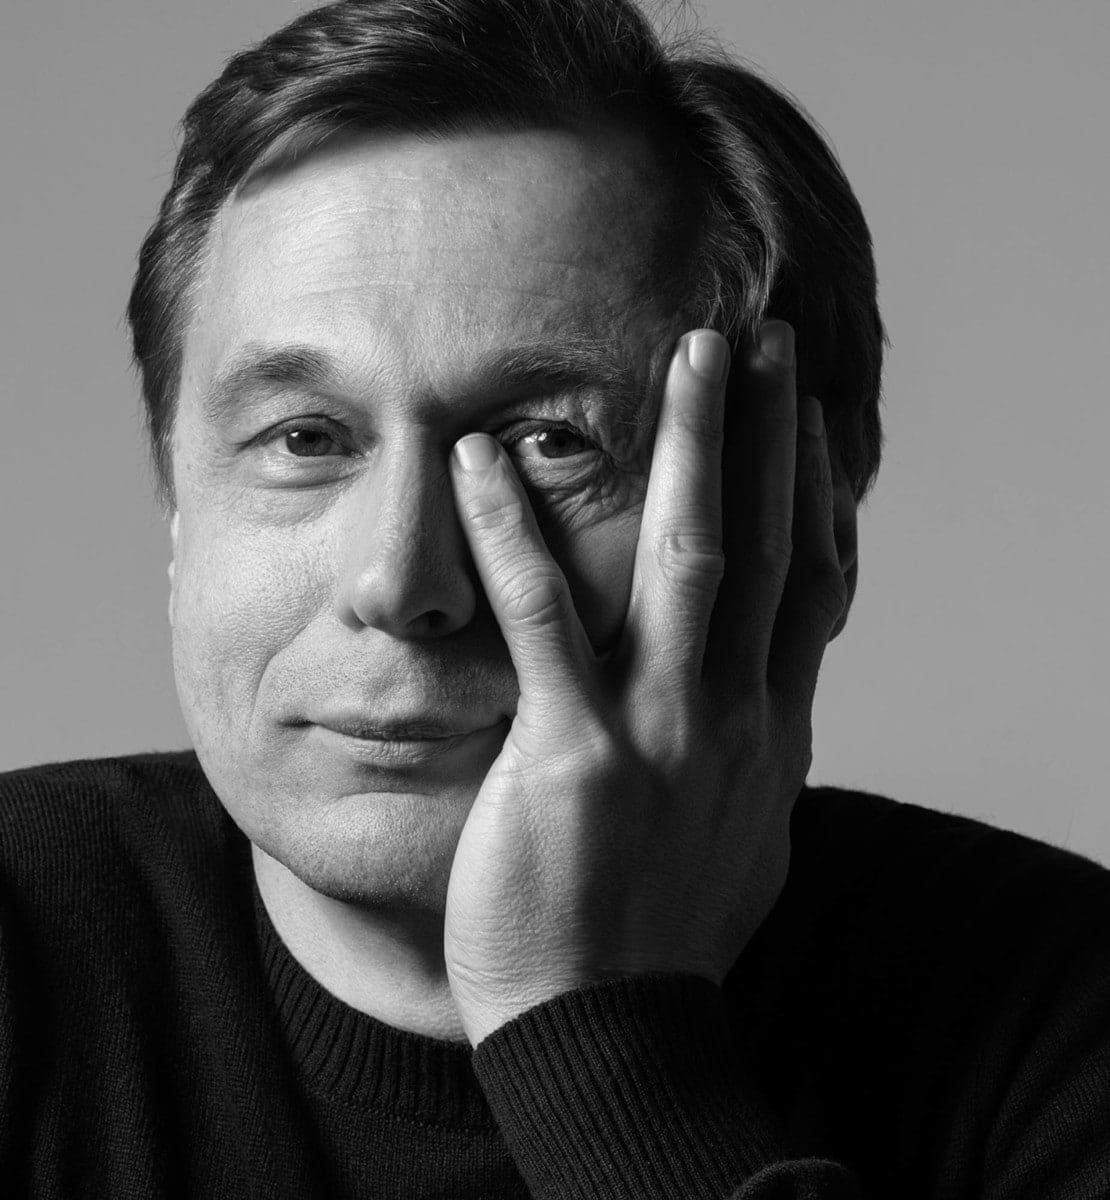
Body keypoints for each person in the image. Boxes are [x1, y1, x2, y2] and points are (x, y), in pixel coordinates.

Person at [2, 0, 1108, 1196]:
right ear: (180, 509)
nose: (400, 581)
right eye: (304, 438)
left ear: (806, 524)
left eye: (547, 442)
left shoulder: (1066, 1027)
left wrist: (598, 1023)